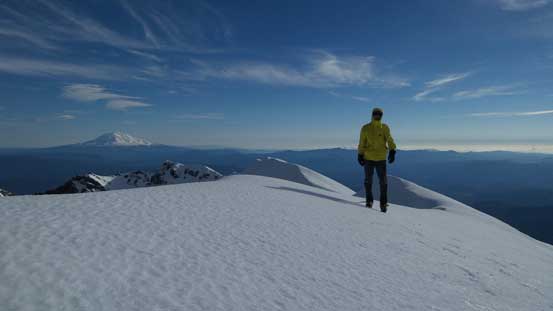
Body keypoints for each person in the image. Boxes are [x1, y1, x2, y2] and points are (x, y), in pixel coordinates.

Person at [357, 107, 396, 213]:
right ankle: (369, 201)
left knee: (383, 182)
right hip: (368, 158)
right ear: (372, 115)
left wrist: (393, 150)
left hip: (381, 159)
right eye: (375, 114)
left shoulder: (384, 127)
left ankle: (383, 204)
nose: (377, 116)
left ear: (381, 116)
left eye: (379, 114)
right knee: (368, 181)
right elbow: (362, 142)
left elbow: (389, 139)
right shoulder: (365, 128)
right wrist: (360, 154)